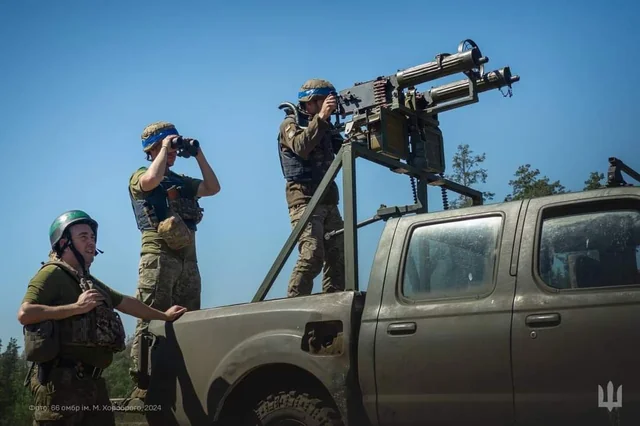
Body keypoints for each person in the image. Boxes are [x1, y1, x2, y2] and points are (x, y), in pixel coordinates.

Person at [18, 210, 187, 426]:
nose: (91, 242)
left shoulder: (89, 281)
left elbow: (126, 303)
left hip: (93, 383)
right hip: (61, 384)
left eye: (92, 237)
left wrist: (164, 315)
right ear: (64, 243)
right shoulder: (52, 273)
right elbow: (25, 313)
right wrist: (76, 307)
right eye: (83, 237)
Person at [127, 121, 220, 395]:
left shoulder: (180, 180)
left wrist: (198, 153)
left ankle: (183, 374)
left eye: (172, 146)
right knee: (151, 316)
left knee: (188, 317)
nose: (172, 152)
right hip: (158, 257)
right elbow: (150, 182)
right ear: (153, 148)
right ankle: (142, 383)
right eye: (166, 146)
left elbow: (213, 187)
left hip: (187, 260)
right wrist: (164, 148)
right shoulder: (140, 175)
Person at [277, 79, 346, 297]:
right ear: (311, 102)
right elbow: (301, 147)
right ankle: (295, 301)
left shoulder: (325, 125)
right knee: (312, 254)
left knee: (339, 256)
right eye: (325, 101)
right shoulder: (290, 123)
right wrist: (322, 118)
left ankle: (332, 305)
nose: (329, 105)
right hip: (305, 200)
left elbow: (345, 148)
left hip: (327, 199)